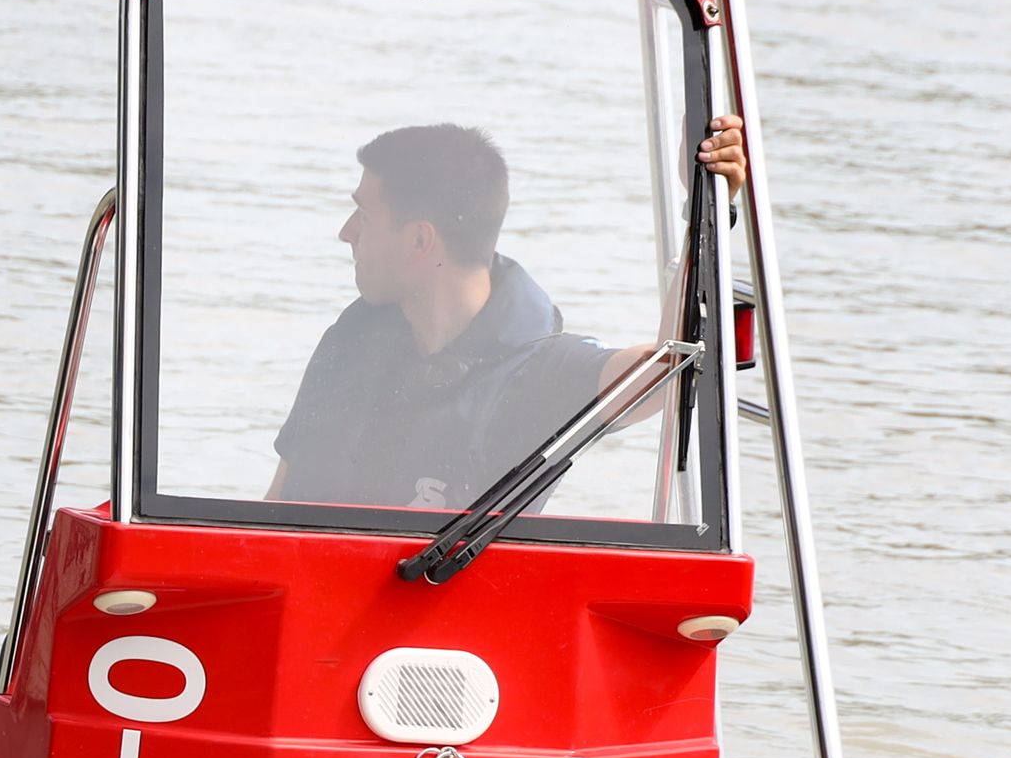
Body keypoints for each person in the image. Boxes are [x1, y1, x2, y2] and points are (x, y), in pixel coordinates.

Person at [266, 116, 746, 511]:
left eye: (364, 216)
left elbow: (670, 371)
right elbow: (275, 507)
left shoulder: (541, 375)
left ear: (419, 240)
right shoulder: (352, 337)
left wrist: (707, 205)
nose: (346, 232)